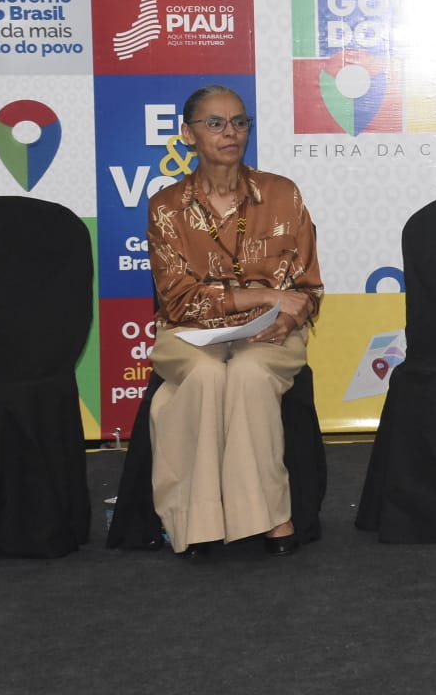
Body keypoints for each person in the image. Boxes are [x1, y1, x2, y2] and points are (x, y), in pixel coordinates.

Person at [146, 85, 324, 558]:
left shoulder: (282, 194)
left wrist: (291, 318)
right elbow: (179, 301)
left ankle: (268, 516)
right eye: (215, 123)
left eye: (239, 122)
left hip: (266, 332)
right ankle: (197, 521)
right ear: (188, 134)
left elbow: (307, 288)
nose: (231, 133)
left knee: (248, 373)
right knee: (204, 377)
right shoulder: (166, 206)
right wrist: (265, 294)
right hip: (187, 335)